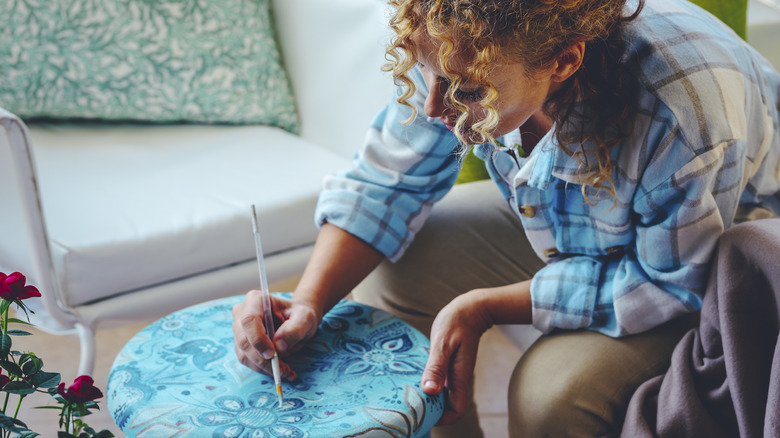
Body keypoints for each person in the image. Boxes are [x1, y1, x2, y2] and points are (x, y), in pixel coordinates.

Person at [233, 0, 780, 436]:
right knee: (397, 269)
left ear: (563, 61)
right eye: (427, 75)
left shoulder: (680, 114)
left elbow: (666, 283)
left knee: (548, 396)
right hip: (580, 227)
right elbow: (386, 183)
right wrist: (307, 300)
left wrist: (486, 305)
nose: (433, 110)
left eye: (467, 92)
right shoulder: (457, 41)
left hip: (709, 258)